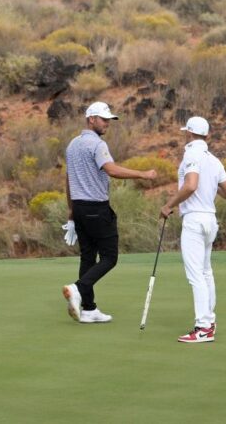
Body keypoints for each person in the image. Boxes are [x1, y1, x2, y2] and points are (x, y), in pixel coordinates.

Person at [61, 101, 157, 324]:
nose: (107, 123)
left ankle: (89, 308)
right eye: (104, 119)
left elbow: (69, 179)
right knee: (110, 257)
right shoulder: (97, 145)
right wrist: (143, 174)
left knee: (88, 256)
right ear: (91, 119)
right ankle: (78, 288)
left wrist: (71, 210)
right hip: (96, 208)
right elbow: (111, 170)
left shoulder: (72, 145)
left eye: (108, 120)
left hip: (79, 207)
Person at [160, 116, 226, 344]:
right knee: (205, 272)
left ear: (189, 133)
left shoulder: (191, 153)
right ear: (207, 135)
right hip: (210, 219)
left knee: (196, 275)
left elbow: (191, 185)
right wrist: (211, 188)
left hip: (194, 219)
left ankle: (203, 328)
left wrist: (168, 205)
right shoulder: (213, 159)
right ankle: (209, 322)